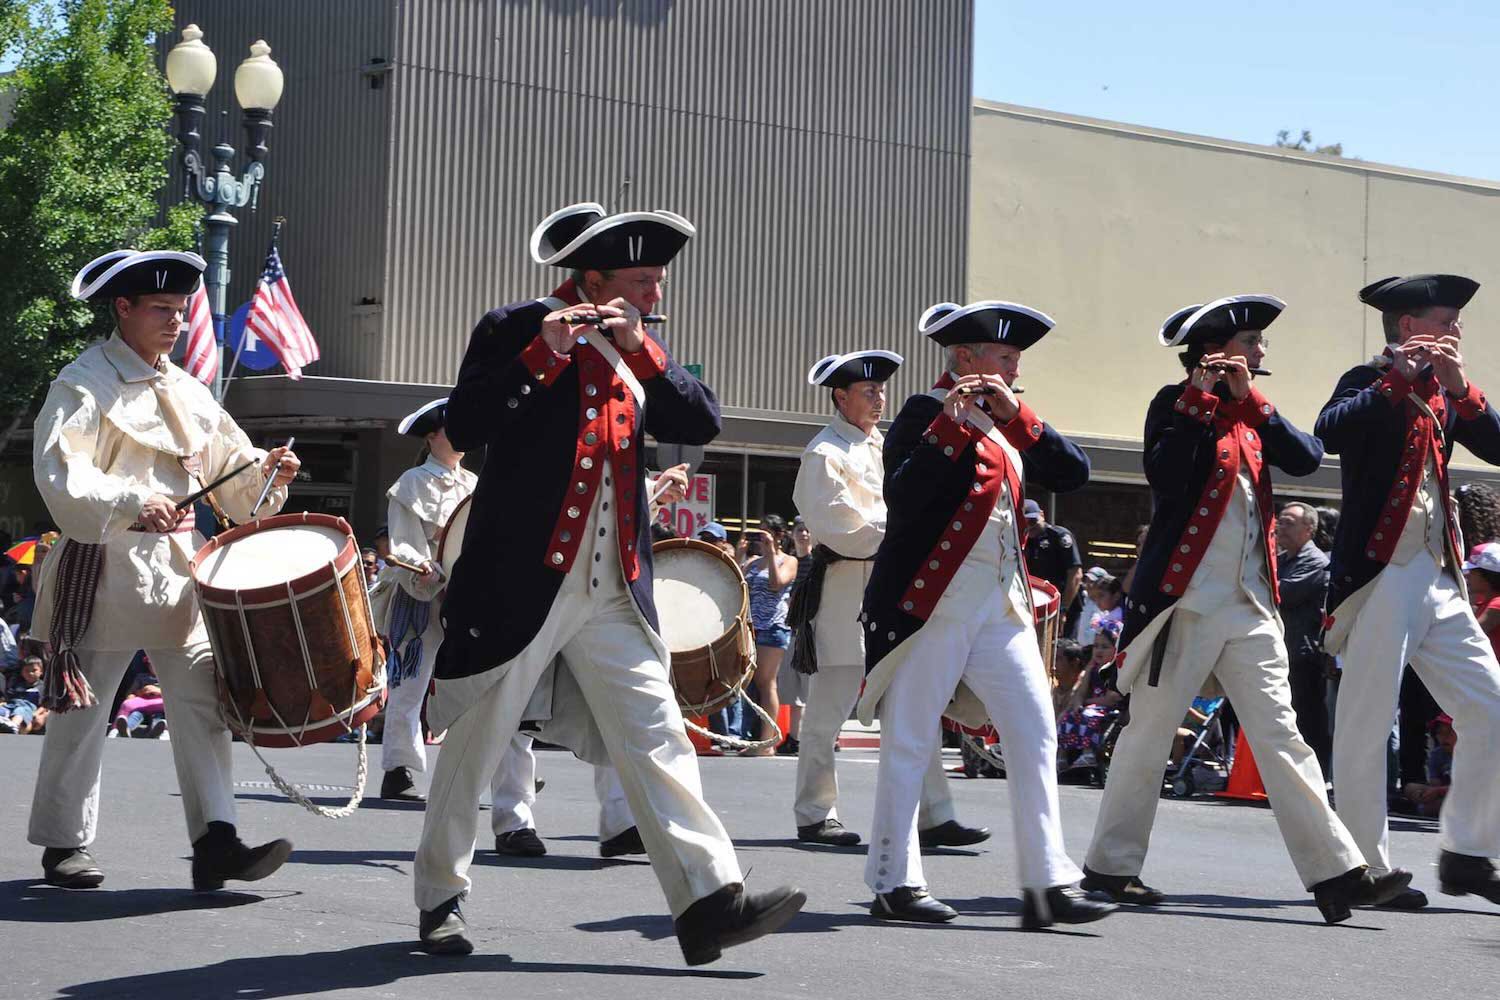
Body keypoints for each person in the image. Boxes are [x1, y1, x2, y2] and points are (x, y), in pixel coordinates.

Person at [408, 202, 803, 961]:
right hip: (519, 579)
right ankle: (440, 896)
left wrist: (644, 350)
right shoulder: (513, 326)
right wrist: (539, 357)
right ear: (590, 277)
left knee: (658, 734)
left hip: (614, 583)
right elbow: (464, 424)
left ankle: (708, 902)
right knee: (476, 743)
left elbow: (702, 418)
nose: (656, 294)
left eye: (656, 281)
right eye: (642, 280)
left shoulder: (636, 347)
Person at [1082, 295, 1402, 924]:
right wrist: (1200, 405)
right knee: (1149, 735)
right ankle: (1110, 868)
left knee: (1283, 736)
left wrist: (1249, 400)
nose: (1261, 352)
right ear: (1217, 350)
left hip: (1251, 604)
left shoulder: (1253, 413)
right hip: (1184, 604)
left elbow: (1308, 456)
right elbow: (1167, 477)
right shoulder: (1171, 407)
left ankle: (1337, 873)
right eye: (1253, 341)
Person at [28, 248, 298, 890]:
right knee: (83, 711)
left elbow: (236, 489)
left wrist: (268, 473)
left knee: (203, 706)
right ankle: (65, 843)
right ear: (122, 308)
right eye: (161, 310)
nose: (176, 322)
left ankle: (217, 842)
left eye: (182, 311)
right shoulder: (81, 382)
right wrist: (128, 499)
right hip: (103, 565)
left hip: (181, 571)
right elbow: (60, 473)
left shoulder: (188, 389)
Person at [857, 298, 1112, 929]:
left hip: (1001, 603)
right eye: (1002, 355)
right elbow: (904, 497)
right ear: (965, 357)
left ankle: (1047, 881)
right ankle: (894, 879)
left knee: (1034, 733)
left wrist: (1017, 415)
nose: (1012, 366)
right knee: (912, 738)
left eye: (1015, 357)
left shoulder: (1010, 421)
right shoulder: (923, 411)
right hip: (933, 599)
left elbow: (1073, 471)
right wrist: (950, 428)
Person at [1318, 273, 1500, 909]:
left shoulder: (1449, 393)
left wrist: (1461, 390)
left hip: (1438, 573)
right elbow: (1329, 432)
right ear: (1406, 326)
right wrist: (1397, 379)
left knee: (1491, 705)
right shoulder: (1365, 380)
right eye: (1446, 320)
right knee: (1368, 722)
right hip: (1380, 575)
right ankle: (1362, 866)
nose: (1456, 331)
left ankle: (1469, 854)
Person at [788, 349, 987, 849]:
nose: (879, 399)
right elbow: (842, 530)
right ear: (841, 396)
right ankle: (815, 812)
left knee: (912, 702)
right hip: (845, 594)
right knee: (828, 711)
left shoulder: (884, 444)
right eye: (868, 391)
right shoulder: (824, 454)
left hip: (892, 592)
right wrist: (908, 530)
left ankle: (936, 814)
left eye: (881, 391)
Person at [1276, 501, 1333, 773]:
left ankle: (1316, 774)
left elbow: (1281, 594)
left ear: (1308, 529)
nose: (1280, 526)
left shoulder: (1315, 563)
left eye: (1289, 522)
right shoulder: (1280, 560)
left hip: (1303, 655)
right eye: (1280, 521)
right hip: (1279, 650)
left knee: (1307, 718)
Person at [740, 514, 797, 755]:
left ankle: (767, 742)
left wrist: (772, 553)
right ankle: (758, 737)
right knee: (751, 682)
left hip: (773, 626)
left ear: (779, 536)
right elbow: (737, 582)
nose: (762, 538)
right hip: (752, 627)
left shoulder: (788, 561)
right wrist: (739, 554)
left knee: (766, 682)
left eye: (767, 533)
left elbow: (776, 584)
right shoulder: (753, 562)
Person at [1056, 619, 1123, 771]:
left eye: (1105, 647)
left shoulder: (1116, 670)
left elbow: (1112, 698)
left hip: (1109, 708)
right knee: (1067, 717)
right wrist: (1078, 702)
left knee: (1088, 714)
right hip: (1092, 705)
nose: (1098, 651)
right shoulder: (1093, 669)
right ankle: (1061, 756)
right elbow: (1081, 690)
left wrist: (1087, 702)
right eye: (1096, 646)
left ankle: (1088, 753)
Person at [1023, 500, 1083, 635]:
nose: (1029, 527)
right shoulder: (1022, 540)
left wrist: (1063, 609)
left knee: (1064, 650)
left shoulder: (1059, 536)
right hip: (1036, 608)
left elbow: (1075, 574)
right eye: (1024, 523)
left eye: (1032, 521)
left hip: (1064, 607)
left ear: (1042, 515)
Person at [1, 655, 46, 734]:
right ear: (22, 672)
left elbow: (45, 704)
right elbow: (9, 697)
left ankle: (14, 725)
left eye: (34, 670)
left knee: (20, 710)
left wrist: (37, 713)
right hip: (12, 705)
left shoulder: (42, 687)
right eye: (27, 670)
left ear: (41, 671)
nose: (30, 673)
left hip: (28, 708)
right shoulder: (18, 685)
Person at [112, 673, 166, 739]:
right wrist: (140, 692)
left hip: (158, 706)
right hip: (141, 705)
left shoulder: (167, 679)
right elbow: (131, 693)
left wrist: (159, 691)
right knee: (136, 715)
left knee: (158, 717)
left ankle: (155, 731)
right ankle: (125, 729)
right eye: (149, 664)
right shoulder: (142, 677)